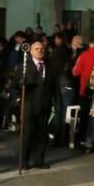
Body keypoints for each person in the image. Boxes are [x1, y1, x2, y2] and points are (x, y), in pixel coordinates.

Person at [16, 40, 58, 169]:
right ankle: (24, 161)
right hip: (29, 105)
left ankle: (39, 160)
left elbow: (53, 86)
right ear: (31, 51)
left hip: (44, 104)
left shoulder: (50, 66)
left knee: (41, 134)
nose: (40, 51)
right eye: (37, 49)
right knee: (28, 134)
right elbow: (15, 85)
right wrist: (21, 82)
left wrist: (55, 102)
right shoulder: (24, 65)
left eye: (42, 49)